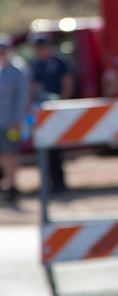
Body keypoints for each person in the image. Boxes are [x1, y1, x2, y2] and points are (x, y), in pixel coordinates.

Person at [28, 33, 76, 193]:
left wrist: (61, 103)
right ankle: (46, 184)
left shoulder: (58, 61)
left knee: (55, 148)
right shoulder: (35, 64)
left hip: (55, 110)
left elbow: (67, 82)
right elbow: (32, 86)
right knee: (42, 148)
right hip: (40, 111)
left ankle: (59, 182)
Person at [0, 34, 32, 205]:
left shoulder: (17, 70)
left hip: (11, 122)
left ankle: (12, 186)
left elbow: (22, 97)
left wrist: (18, 119)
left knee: (10, 154)